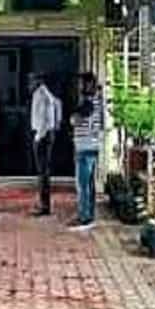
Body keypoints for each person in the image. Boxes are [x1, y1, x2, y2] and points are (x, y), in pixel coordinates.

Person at [69, 73, 103, 230]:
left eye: (82, 83)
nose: (79, 87)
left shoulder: (88, 103)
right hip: (92, 146)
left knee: (83, 184)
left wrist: (73, 118)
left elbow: (75, 119)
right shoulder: (97, 101)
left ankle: (84, 216)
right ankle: (89, 214)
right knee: (89, 184)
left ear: (88, 85)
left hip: (84, 147)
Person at [29, 73, 60, 216]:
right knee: (44, 171)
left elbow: (43, 116)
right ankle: (44, 203)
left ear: (37, 81)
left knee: (42, 172)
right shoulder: (49, 94)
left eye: (31, 81)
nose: (29, 84)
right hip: (49, 133)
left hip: (43, 134)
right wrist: (56, 125)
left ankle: (44, 205)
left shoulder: (40, 94)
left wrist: (38, 136)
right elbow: (58, 106)